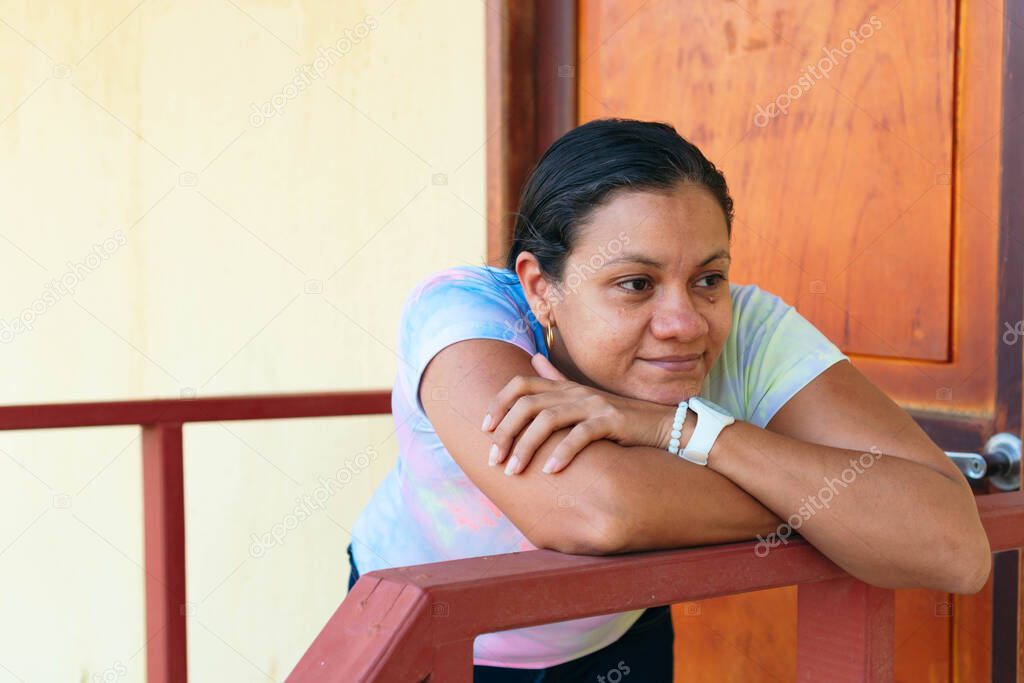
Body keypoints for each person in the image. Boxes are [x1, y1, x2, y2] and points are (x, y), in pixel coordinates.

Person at [347, 118, 991, 681]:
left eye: (709, 278)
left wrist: (688, 432)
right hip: (429, 644)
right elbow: (596, 510)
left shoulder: (751, 327)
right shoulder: (462, 311)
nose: (684, 321)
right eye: (635, 283)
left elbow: (953, 547)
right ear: (541, 287)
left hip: (618, 640)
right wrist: (825, 501)